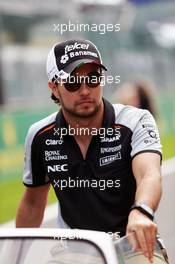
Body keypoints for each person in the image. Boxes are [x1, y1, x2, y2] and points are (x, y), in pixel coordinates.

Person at [16, 39, 163, 263]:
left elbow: (149, 174)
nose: (85, 90)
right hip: (74, 252)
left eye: (93, 78)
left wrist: (141, 211)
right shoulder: (40, 136)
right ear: (54, 88)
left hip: (131, 243)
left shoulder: (135, 121)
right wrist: (16, 255)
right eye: (73, 82)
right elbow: (33, 203)